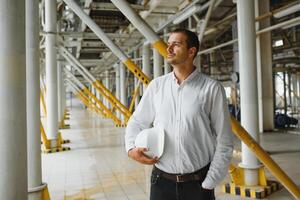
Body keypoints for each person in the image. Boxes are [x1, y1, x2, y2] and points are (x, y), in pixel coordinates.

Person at [125, 29, 234, 200]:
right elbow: (137, 121)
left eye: (176, 44)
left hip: (198, 184)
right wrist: (131, 148)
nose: (168, 49)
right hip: (161, 183)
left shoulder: (211, 88)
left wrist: (209, 183)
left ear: (191, 51)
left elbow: (225, 141)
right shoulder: (157, 86)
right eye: (168, 44)